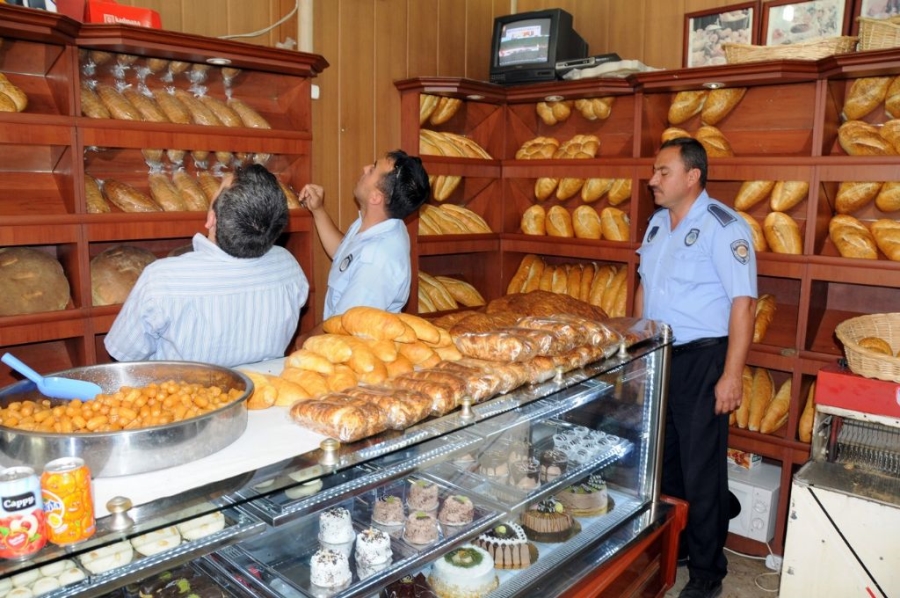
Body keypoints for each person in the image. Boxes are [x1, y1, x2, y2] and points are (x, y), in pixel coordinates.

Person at [634, 137, 757, 598]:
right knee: (663, 465)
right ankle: (676, 546)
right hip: (661, 355)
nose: (652, 180)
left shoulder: (724, 227)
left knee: (703, 470)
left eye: (663, 172)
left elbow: (743, 305)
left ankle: (707, 572)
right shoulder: (656, 225)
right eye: (653, 171)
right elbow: (645, 290)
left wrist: (732, 374)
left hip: (705, 359)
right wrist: (636, 349)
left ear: (692, 176)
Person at [105, 164, 309, 368]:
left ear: (212, 218)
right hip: (264, 394)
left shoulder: (162, 279)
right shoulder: (288, 266)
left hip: (187, 398)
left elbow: (124, 354)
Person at [300, 149, 430, 323]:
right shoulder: (385, 223)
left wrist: (303, 341)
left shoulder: (377, 262)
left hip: (346, 344)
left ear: (376, 197)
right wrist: (318, 210)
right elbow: (346, 257)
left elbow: (346, 325)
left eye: (372, 170)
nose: (365, 167)